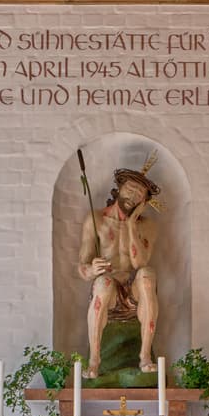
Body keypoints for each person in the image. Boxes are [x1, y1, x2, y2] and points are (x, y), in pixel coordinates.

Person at [78, 160, 160, 374]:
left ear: (144, 202)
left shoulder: (147, 226)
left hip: (134, 295)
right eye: (130, 189)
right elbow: (82, 268)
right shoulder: (96, 220)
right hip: (108, 292)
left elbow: (140, 263)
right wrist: (92, 269)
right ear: (119, 188)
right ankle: (94, 361)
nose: (132, 196)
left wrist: (131, 224)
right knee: (103, 282)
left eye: (139, 194)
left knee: (147, 274)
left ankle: (144, 356)